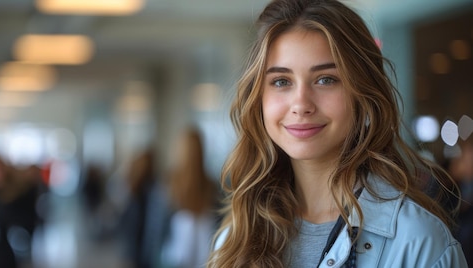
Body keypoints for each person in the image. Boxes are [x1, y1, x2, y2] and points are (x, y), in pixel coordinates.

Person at [207, 0, 468, 267]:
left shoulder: (421, 244)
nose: (301, 105)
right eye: (281, 81)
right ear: (258, 98)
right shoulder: (233, 240)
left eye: (325, 79)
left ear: (363, 94)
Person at [160, 127, 220, 268]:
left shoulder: (170, 183)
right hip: (202, 256)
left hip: (179, 255)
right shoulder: (210, 185)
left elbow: (158, 227)